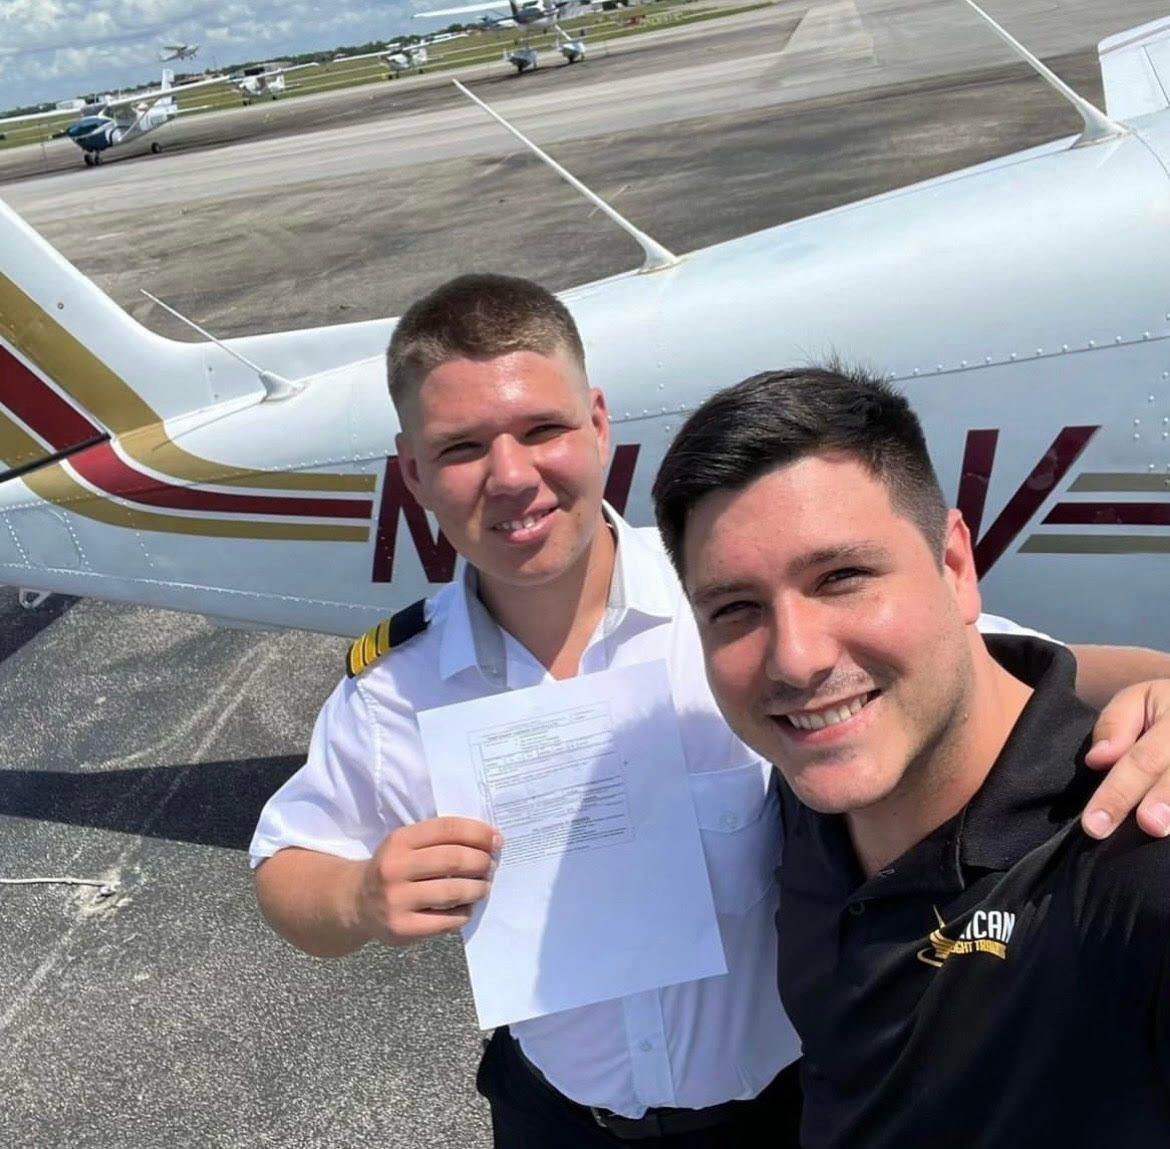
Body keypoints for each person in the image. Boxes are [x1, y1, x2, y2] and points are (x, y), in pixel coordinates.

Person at [251, 278, 1170, 1148]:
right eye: (461, 448)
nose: (512, 476)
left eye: (543, 428)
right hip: (558, 1114)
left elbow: (995, 662)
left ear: (600, 423)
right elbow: (286, 864)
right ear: (413, 473)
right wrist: (360, 897)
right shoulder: (397, 689)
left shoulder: (739, 598)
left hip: (780, 1106)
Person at [651, 365, 1170, 1148]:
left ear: (956, 565)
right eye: (735, 608)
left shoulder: (1132, 858)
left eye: (842, 577)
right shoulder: (806, 793)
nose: (794, 659)